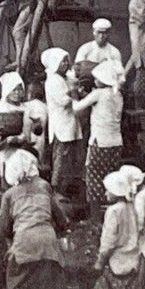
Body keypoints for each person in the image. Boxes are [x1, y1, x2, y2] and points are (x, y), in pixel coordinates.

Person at [0, 147, 70, 289]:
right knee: (46, 286)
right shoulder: (44, 186)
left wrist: (9, 238)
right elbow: (60, 216)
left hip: (23, 241)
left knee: (16, 285)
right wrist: (62, 227)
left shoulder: (9, 194)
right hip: (47, 240)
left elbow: (3, 227)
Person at [41, 48, 88, 201]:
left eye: (67, 60)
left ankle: (68, 188)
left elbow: (77, 90)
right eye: (63, 61)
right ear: (55, 63)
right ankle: (56, 189)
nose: (66, 63)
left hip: (72, 122)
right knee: (61, 157)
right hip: (61, 124)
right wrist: (74, 93)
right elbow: (63, 101)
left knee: (73, 158)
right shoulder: (53, 80)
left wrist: (77, 90)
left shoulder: (66, 77)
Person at [81, 59, 125, 217]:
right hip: (116, 142)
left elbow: (76, 108)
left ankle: (95, 218)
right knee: (111, 178)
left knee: (94, 179)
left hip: (100, 142)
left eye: (97, 78)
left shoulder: (98, 94)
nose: (95, 81)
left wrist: (73, 94)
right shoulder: (117, 94)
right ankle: (113, 214)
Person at [92, 167, 142, 289]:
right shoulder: (133, 207)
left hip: (117, 264)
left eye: (108, 190)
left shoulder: (113, 211)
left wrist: (99, 262)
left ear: (115, 192)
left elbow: (108, 242)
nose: (106, 193)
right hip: (134, 261)